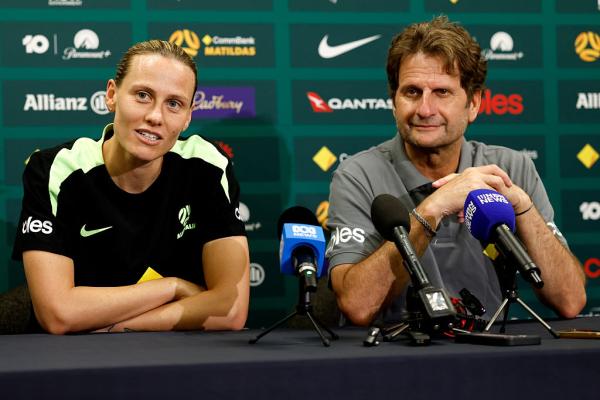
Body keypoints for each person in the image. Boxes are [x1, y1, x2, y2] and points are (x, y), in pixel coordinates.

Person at [326, 16, 586, 326]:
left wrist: (523, 208)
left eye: (442, 92)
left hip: (486, 350)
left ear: (474, 103)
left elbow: (570, 301)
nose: (424, 109)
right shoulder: (358, 175)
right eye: (411, 92)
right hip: (392, 356)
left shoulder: (511, 168)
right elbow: (357, 306)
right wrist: (434, 208)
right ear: (394, 102)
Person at [10, 40, 250, 334]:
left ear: (188, 115)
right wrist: (172, 287)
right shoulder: (56, 169)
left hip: (173, 356)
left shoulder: (208, 166)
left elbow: (231, 309)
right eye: (142, 95)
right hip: (72, 360)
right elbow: (58, 314)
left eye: (174, 103)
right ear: (111, 95)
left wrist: (119, 326)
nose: (155, 116)